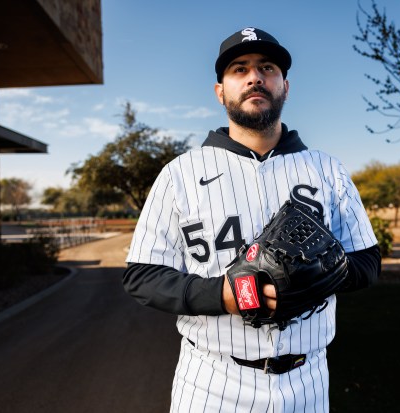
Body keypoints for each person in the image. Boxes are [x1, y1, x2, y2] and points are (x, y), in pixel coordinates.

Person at [123, 27, 381, 413]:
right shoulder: (180, 174)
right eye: (239, 69)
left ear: (285, 86)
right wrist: (225, 295)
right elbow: (142, 276)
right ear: (220, 91)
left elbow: (367, 261)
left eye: (267, 68)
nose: (254, 77)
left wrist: (314, 277)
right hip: (211, 381)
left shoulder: (327, 170)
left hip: (307, 379)